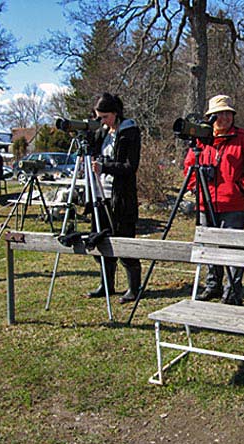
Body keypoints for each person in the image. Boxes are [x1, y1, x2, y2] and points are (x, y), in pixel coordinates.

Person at [184, 94, 244, 305]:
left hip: (234, 204)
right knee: (209, 247)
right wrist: (195, 188)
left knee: (233, 249)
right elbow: (190, 166)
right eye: (220, 114)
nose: (225, 118)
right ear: (211, 117)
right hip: (205, 203)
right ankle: (213, 284)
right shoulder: (202, 138)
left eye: (228, 113)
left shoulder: (243, 138)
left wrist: (240, 187)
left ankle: (233, 289)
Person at [85, 93, 142, 305]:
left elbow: (130, 166)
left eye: (105, 117)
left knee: (125, 243)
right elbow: (93, 155)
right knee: (99, 241)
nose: (102, 121)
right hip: (101, 195)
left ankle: (133, 287)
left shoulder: (129, 132)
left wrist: (105, 167)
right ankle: (106, 284)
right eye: (98, 117)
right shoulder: (102, 133)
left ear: (116, 113)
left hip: (121, 197)